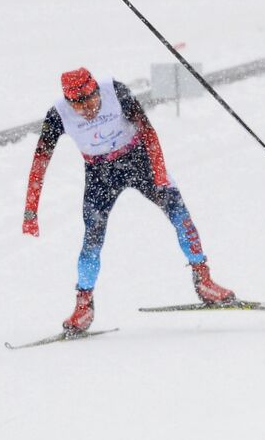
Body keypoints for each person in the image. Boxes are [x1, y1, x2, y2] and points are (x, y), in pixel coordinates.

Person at [22, 68, 235, 333]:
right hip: (100, 173)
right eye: (78, 105)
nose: (88, 109)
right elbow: (40, 161)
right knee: (92, 239)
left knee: (180, 216)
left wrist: (159, 174)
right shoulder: (58, 114)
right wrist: (30, 211)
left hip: (138, 160)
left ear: (97, 90)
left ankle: (204, 280)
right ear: (68, 102)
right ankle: (84, 305)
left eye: (92, 100)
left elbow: (148, 131)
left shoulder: (115, 90)